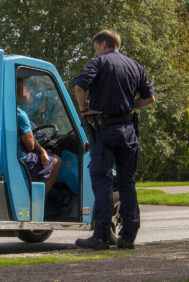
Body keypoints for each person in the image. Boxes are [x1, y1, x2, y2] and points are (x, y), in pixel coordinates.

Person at [73, 30, 155, 250]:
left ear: (103, 44)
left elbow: (79, 87)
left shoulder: (99, 63)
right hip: (128, 131)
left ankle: (101, 235)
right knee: (127, 182)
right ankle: (128, 236)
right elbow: (150, 98)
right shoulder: (135, 66)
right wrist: (131, 106)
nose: (95, 51)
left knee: (102, 179)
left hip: (105, 130)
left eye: (95, 47)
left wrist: (84, 110)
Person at [17, 77, 62, 194]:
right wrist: (42, 151)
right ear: (19, 91)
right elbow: (30, 145)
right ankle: (38, 204)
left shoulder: (11, 109)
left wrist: (42, 150)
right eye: (26, 88)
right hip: (20, 157)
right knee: (57, 161)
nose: (30, 91)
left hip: (14, 154)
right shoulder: (21, 115)